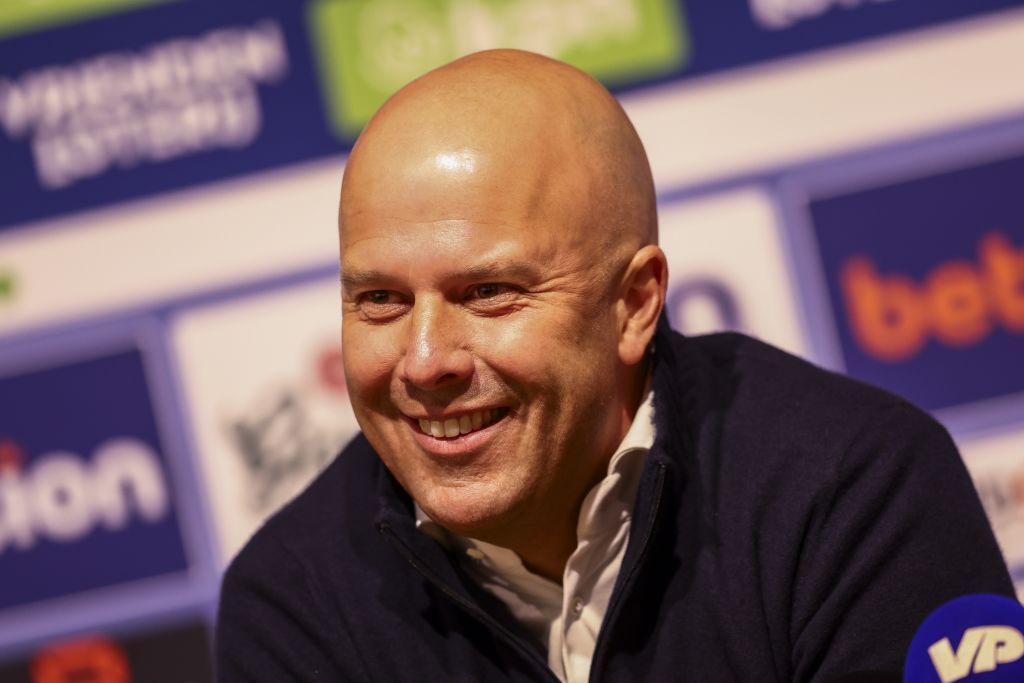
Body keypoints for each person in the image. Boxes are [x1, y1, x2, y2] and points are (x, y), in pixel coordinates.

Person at [216, 50, 1013, 682]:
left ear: (634, 304)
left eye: (489, 292)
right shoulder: (293, 603)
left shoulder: (853, 487)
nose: (425, 360)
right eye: (381, 300)